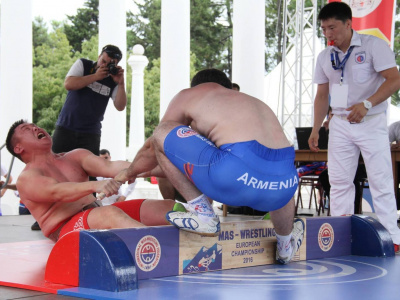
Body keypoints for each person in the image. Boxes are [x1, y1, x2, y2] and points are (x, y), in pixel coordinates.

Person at [115, 69, 305, 265]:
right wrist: (140, 172)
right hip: (285, 186)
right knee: (276, 167)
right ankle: (285, 247)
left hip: (233, 176)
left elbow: (152, 148)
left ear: (196, 87)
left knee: (161, 132)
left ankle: (204, 214)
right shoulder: (252, 103)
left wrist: (130, 171)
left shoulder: (189, 96)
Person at [309, 1, 400, 251]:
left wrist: (367, 104)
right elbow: (321, 94)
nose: (328, 34)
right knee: (338, 182)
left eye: (333, 28)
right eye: (324, 29)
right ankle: (340, 237)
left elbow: (395, 80)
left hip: (370, 122)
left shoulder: (373, 46)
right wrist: (316, 128)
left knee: (380, 180)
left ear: (349, 24)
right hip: (339, 124)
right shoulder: (325, 56)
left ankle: (392, 238)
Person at [5, 120, 183, 243]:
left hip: (97, 213)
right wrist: (95, 185)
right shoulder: (26, 178)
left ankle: (204, 237)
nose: (35, 128)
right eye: (27, 129)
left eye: (35, 125)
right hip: (65, 230)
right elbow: (57, 191)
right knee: (109, 214)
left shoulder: (75, 156)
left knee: (166, 207)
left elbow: (114, 167)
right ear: (18, 148)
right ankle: (163, 251)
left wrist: (170, 170)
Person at [52, 45, 127, 156]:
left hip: (91, 133)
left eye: (110, 64)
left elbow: (120, 106)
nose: (104, 65)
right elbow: (68, 84)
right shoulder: (84, 64)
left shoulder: (113, 80)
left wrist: (121, 83)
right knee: (55, 166)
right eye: (103, 61)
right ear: (99, 56)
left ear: (116, 65)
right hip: (66, 127)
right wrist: (96, 76)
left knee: (89, 171)